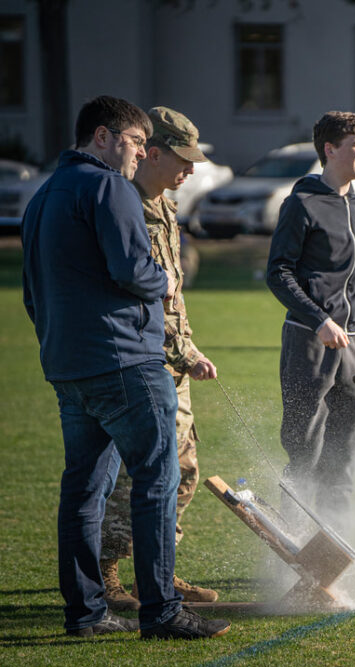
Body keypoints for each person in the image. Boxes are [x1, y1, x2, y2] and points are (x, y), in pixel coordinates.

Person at [20, 95, 229, 639]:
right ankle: (160, 611)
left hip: (67, 365)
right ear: (104, 138)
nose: (139, 154)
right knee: (157, 480)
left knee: (83, 489)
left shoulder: (41, 196)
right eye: (136, 142)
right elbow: (133, 268)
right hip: (125, 362)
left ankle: (85, 614)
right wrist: (165, 279)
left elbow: (30, 294)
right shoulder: (108, 185)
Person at [98, 106, 220, 610]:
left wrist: (188, 348)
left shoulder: (165, 207)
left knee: (184, 469)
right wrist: (175, 348)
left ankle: (163, 570)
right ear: (151, 152)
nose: (189, 170)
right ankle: (106, 568)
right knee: (139, 475)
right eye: (182, 159)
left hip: (172, 360)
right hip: (138, 360)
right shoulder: (123, 205)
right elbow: (136, 290)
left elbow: (173, 296)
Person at [266, 111, 355, 523]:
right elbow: (278, 272)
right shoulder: (301, 204)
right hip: (309, 343)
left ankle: (334, 540)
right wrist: (318, 319)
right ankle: (295, 541)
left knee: (345, 453)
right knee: (305, 450)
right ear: (330, 150)